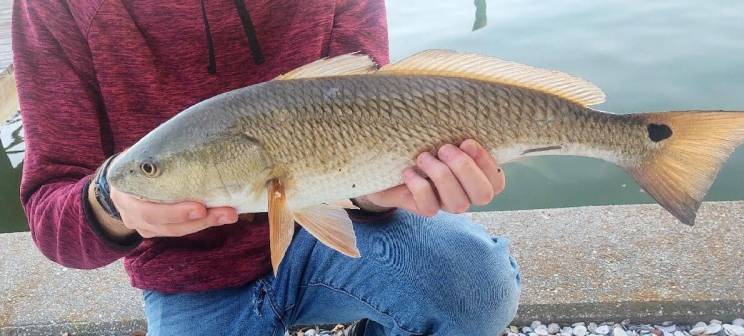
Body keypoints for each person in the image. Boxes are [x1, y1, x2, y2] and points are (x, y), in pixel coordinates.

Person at [13, 1, 520, 335]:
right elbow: (51, 218)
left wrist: (375, 188)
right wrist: (108, 202)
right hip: (186, 277)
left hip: (324, 241)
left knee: (474, 283)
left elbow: (369, 105)